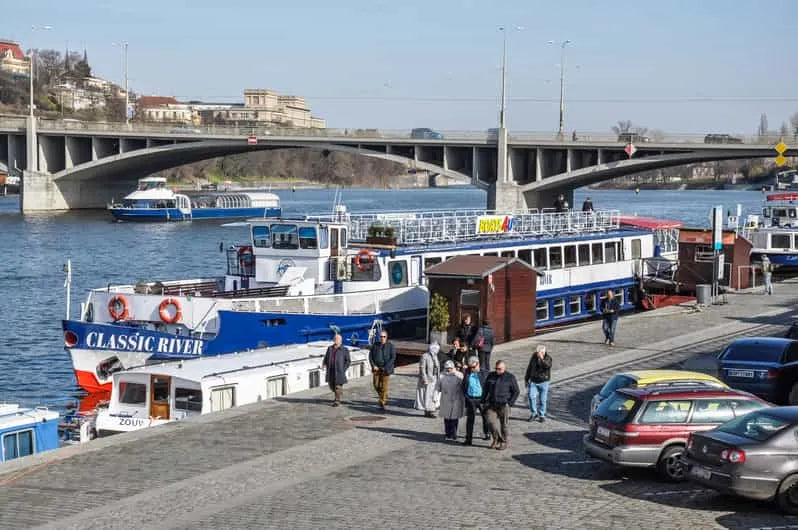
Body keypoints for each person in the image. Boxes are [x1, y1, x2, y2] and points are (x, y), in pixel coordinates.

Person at [481, 360, 520, 450]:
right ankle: (496, 439)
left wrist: (509, 403)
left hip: (503, 404)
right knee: (490, 421)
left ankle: (504, 441)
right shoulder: (491, 375)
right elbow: (485, 389)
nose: (497, 370)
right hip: (492, 404)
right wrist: (483, 401)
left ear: (504, 368)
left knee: (504, 425)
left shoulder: (510, 377)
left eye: (499, 369)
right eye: (496, 369)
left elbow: (516, 391)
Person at [461, 356, 490, 446]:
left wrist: (487, 398)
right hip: (471, 399)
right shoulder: (467, 373)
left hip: (482, 399)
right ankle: (468, 439)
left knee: (486, 418)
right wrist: (466, 397)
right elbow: (463, 386)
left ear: (478, 364)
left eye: (474, 367)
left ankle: (487, 433)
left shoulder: (485, 373)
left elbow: (489, 387)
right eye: (470, 367)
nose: (472, 369)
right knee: (470, 420)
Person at [435, 360, 465, 441]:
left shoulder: (459, 375)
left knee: (454, 418)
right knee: (447, 418)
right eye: (447, 368)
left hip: (456, 398)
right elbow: (437, 387)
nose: (448, 370)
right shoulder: (441, 376)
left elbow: (464, 386)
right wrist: (435, 398)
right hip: (445, 399)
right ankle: (447, 433)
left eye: (450, 368)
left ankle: (454, 433)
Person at [524, 344, 552, 422]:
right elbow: (529, 368)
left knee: (542, 400)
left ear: (542, 352)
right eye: (536, 352)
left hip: (544, 382)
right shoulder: (533, 357)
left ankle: (542, 415)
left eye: (537, 352)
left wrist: (541, 359)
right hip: (533, 381)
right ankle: (534, 413)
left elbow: (547, 366)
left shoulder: (548, 358)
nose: (536, 353)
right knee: (531, 396)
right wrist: (526, 379)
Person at [369, 330, 396, 410]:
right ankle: (384, 395)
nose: (382, 338)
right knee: (376, 385)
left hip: (386, 369)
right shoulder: (375, 345)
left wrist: (386, 367)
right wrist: (373, 365)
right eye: (381, 337)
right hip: (376, 368)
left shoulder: (390, 346)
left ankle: (382, 402)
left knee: (384, 386)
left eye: (384, 337)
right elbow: (370, 356)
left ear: (386, 337)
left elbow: (393, 357)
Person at [322, 333, 351, 407]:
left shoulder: (344, 349)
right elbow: (326, 357)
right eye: (335, 339)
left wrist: (343, 369)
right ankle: (338, 393)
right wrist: (324, 364)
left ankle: (337, 400)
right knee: (331, 385)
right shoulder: (330, 348)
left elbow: (348, 361)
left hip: (339, 371)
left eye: (337, 339)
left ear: (341, 341)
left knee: (337, 386)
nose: (336, 340)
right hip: (330, 370)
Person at [416, 343, 441, 417]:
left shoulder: (435, 356)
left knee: (433, 395)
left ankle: (431, 409)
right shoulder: (425, 356)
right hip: (428, 379)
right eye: (436, 349)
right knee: (427, 395)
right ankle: (428, 411)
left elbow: (437, 367)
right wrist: (425, 379)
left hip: (435, 378)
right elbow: (422, 368)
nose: (437, 351)